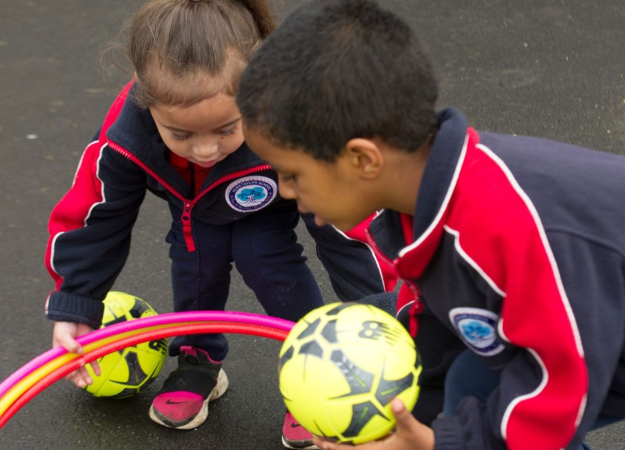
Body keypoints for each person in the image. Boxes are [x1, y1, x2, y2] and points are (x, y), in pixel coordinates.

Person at [236, 0, 625, 449]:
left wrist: (435, 445)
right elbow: (433, 328)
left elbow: (558, 388)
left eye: (292, 175)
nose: (285, 191)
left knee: (527, 415)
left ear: (363, 159)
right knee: (472, 377)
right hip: (588, 328)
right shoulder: (422, 204)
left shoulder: (510, 226)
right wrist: (400, 427)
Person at [44, 0, 396, 448]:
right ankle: (198, 360)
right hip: (194, 208)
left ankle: (318, 375)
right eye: (181, 134)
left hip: (271, 202)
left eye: (227, 128)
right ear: (146, 103)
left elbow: (349, 223)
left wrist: (383, 310)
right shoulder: (127, 132)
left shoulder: (297, 121)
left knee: (265, 259)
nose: (206, 150)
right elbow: (98, 214)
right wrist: (76, 298)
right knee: (196, 262)